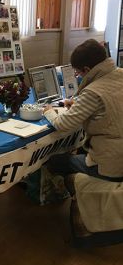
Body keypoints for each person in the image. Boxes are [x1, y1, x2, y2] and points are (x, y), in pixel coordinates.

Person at [43, 38, 123, 182]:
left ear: (87, 70)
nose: (77, 76)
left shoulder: (93, 92)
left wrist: (48, 111)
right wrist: (79, 104)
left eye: (77, 73)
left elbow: (62, 124)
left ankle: (75, 192)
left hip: (112, 165)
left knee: (56, 161)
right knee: (80, 149)